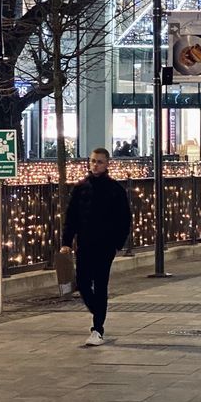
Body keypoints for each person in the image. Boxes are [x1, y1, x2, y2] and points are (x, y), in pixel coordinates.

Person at [61, 148, 132, 347]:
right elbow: (71, 217)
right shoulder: (81, 188)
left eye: (100, 161)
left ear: (107, 163)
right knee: (82, 282)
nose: (95, 165)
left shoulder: (115, 189)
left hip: (105, 245)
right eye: (93, 161)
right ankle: (97, 309)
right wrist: (66, 242)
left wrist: (117, 243)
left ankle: (97, 328)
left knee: (100, 284)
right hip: (84, 243)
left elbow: (124, 218)